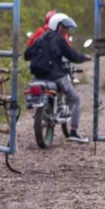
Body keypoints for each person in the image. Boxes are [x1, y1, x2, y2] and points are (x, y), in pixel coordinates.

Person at [23, 13, 91, 144]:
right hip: (56, 76)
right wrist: (84, 57)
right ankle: (74, 132)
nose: (65, 30)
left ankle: (53, 112)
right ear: (57, 26)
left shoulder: (40, 38)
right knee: (76, 99)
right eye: (63, 27)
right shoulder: (59, 39)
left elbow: (27, 55)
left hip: (38, 77)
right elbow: (73, 56)